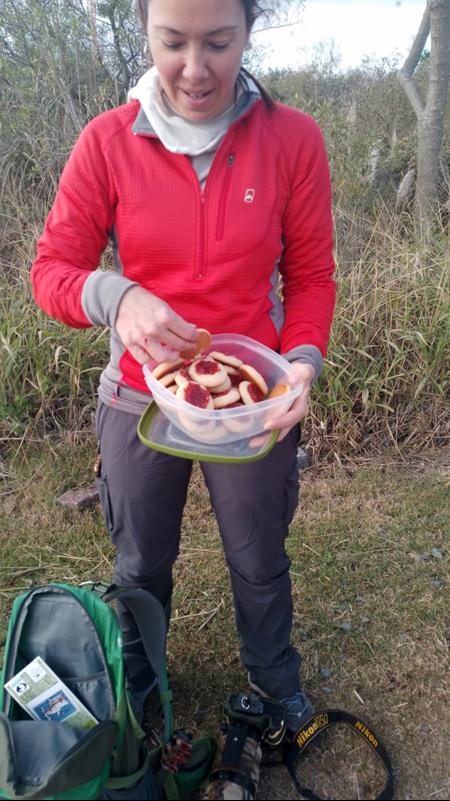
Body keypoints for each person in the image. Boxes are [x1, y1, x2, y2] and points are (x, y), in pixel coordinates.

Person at [31, 0, 336, 745]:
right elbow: (52, 272)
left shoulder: (292, 140)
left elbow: (311, 277)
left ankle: (275, 682)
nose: (194, 70)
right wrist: (116, 295)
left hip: (252, 397)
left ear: (249, 32)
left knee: (258, 556)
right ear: (144, 32)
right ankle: (139, 686)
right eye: (172, 42)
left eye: (219, 43)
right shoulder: (107, 141)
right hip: (140, 392)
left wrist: (301, 362)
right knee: (140, 560)